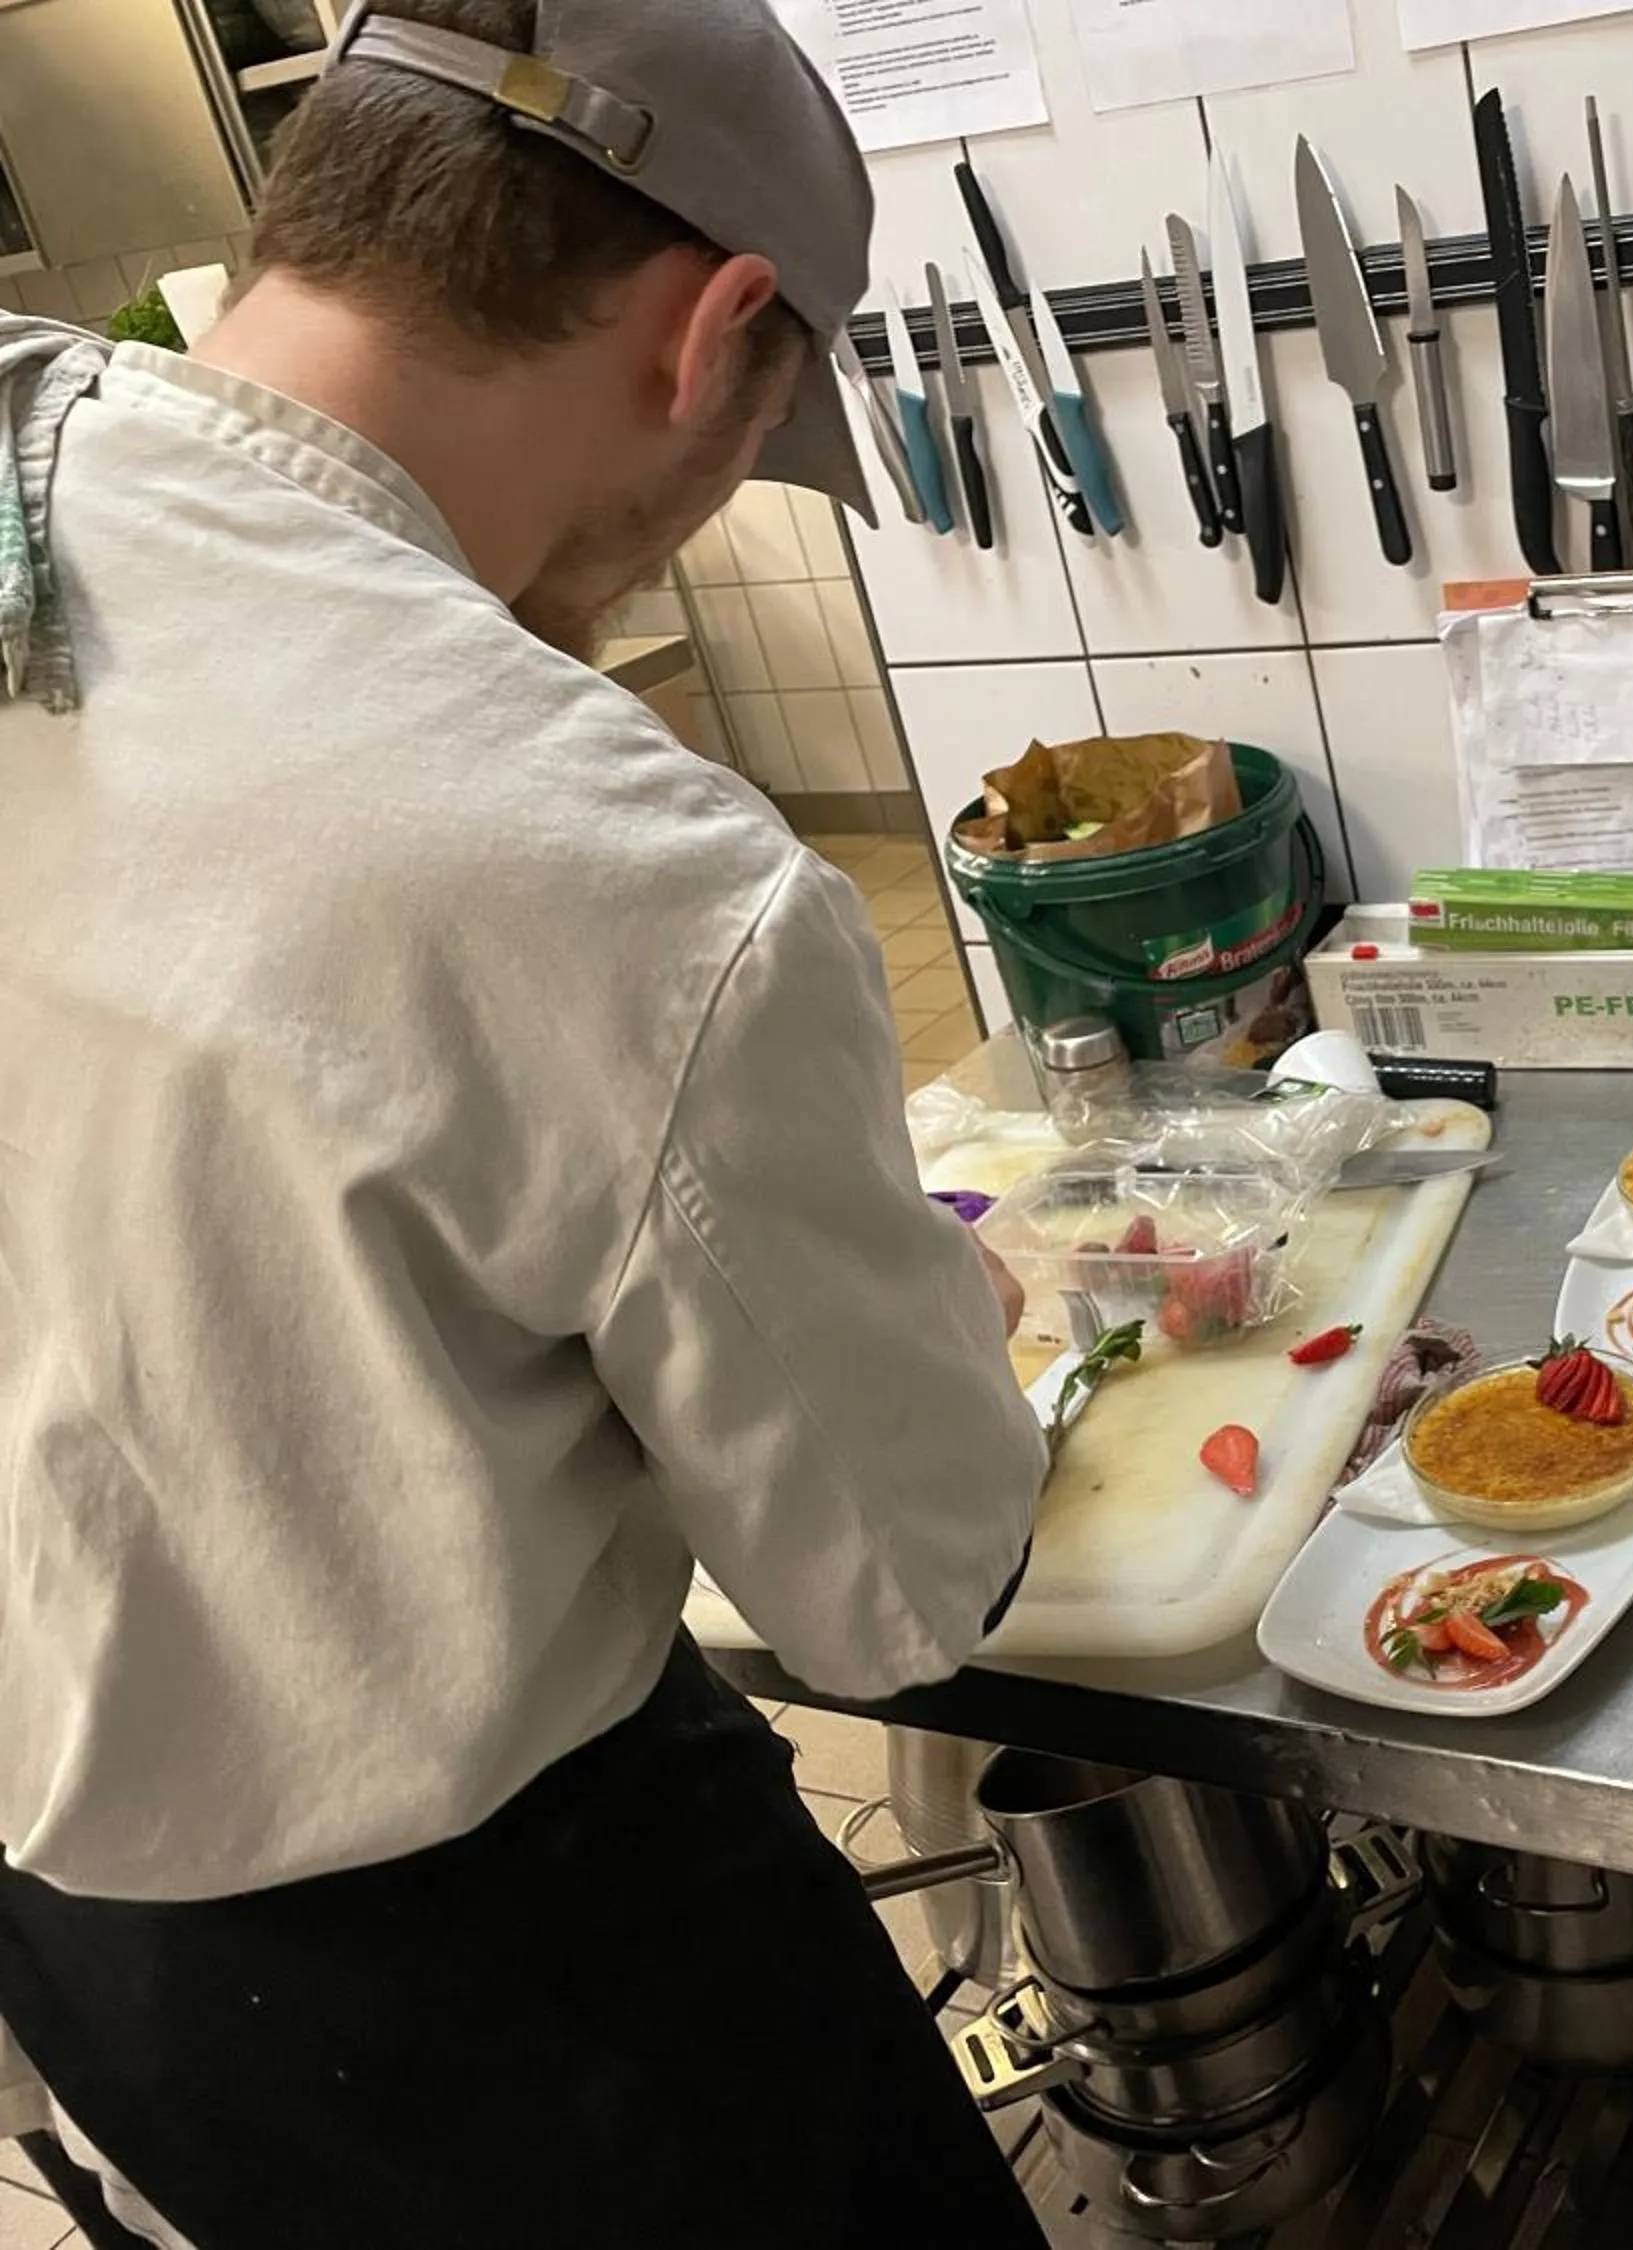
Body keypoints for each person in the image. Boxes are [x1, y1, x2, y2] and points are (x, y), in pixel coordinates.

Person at [0, 4, 1053, 2242]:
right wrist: (930, 1323)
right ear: (715, 334)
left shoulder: (23, 462)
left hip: (93, 1967)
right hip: (545, 2000)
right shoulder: (620, 875)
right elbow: (898, 1592)